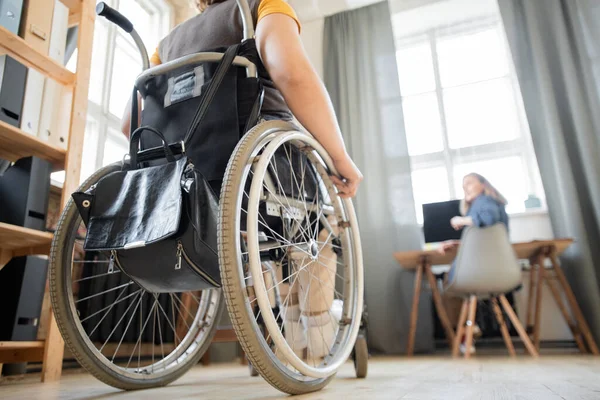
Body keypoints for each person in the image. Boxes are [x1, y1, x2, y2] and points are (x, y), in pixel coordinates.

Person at [120, 0, 362, 198]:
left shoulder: (164, 47)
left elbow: (129, 125)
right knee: (325, 224)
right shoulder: (260, 6)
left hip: (180, 187)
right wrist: (338, 157)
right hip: (262, 170)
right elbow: (291, 76)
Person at [440, 173, 509, 354]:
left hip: (482, 268)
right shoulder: (481, 205)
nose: (466, 188)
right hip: (497, 267)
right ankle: (470, 327)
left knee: (450, 284)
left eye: (469, 183)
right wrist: (458, 243)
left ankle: (465, 330)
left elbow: (488, 219)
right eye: (463, 185)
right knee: (455, 285)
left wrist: (461, 220)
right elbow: (485, 237)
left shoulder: (485, 201)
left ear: (483, 184)